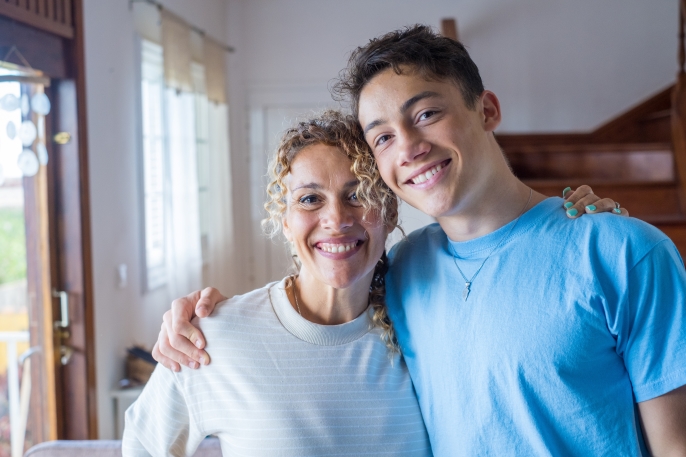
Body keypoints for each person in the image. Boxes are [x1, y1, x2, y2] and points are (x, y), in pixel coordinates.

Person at [154, 26, 686, 456]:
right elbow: (317, 311)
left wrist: (604, 227)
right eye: (382, 136)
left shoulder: (622, 252)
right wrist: (196, 317)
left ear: (487, 110)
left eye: (427, 113)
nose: (408, 146)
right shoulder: (404, 270)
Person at [123, 111, 433, 456]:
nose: (336, 219)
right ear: (285, 221)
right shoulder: (213, 337)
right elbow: (143, 446)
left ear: (389, 213)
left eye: (357, 194)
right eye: (310, 199)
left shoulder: (425, 328)